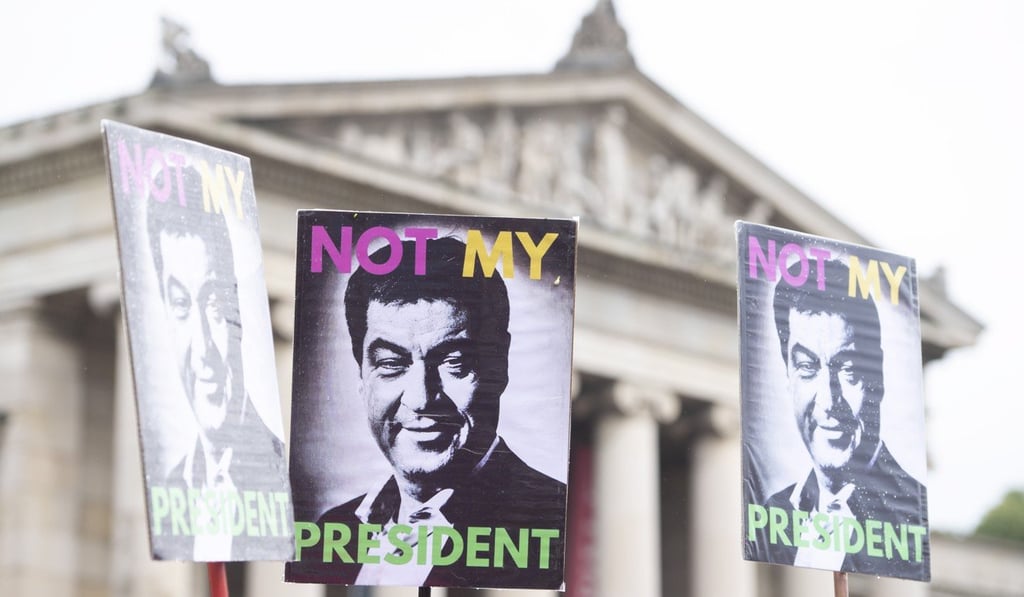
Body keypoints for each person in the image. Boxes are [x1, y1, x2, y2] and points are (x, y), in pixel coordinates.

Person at [292, 236, 566, 588]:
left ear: (500, 364)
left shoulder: (547, 520)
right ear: (361, 372)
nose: (421, 399)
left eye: (454, 362)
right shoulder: (333, 530)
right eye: (391, 364)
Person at [747, 257, 929, 579]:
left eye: (847, 369)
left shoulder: (905, 519)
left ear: (878, 374)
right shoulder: (773, 513)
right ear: (787, 373)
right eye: (807, 367)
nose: (829, 402)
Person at [146, 166, 289, 560]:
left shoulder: (279, 481)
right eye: (179, 303)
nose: (202, 347)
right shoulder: (171, 490)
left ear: (240, 307)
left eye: (212, 302)